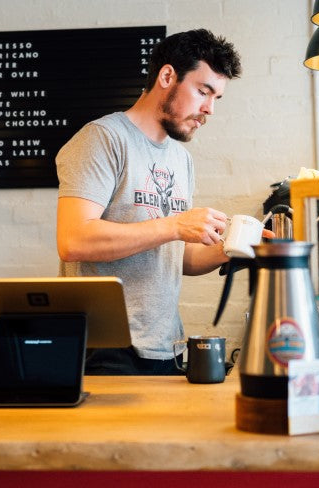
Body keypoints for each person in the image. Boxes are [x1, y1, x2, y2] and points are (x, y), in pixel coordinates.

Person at [55, 28, 245, 375]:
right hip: (105, 348)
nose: (210, 109)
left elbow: (176, 257)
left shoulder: (180, 158)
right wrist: (175, 225)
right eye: (204, 92)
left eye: (216, 98)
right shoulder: (102, 139)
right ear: (167, 76)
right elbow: (73, 240)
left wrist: (235, 248)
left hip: (166, 345)